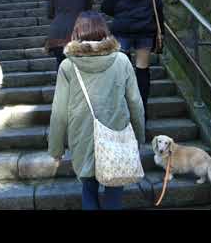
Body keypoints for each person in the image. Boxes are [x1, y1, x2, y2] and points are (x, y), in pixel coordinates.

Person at [48, 11, 145, 210]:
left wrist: (56, 148)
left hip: (82, 136)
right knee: (114, 194)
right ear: (104, 31)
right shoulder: (122, 61)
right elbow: (135, 102)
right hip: (116, 134)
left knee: (88, 190)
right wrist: (139, 136)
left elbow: (59, 112)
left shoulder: (68, 65)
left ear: (76, 32)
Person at [100, 0, 164, 136]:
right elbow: (158, 10)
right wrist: (161, 35)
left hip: (123, 33)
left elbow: (105, 7)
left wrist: (121, 12)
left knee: (122, 73)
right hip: (145, 33)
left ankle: (124, 113)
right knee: (142, 71)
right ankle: (142, 113)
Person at [40, 0, 95, 70]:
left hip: (58, 33)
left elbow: (49, 14)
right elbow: (89, 10)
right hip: (80, 32)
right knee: (81, 68)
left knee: (61, 66)